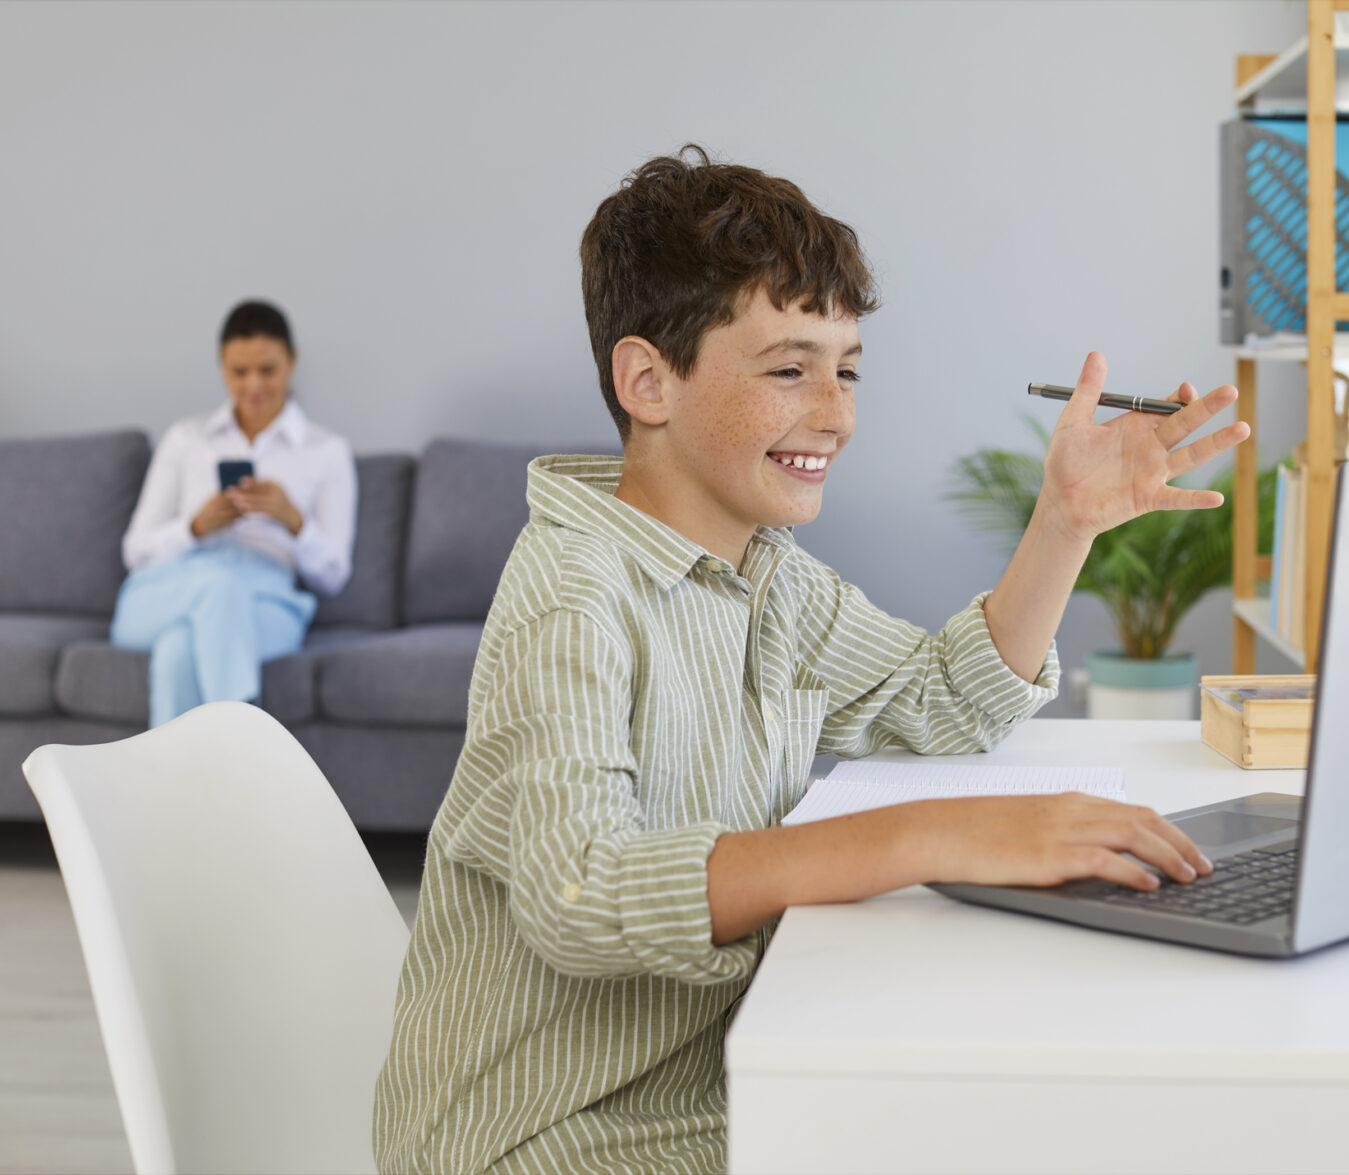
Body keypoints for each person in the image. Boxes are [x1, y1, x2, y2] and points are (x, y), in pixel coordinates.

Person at [373, 147, 1247, 1174]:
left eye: (846, 370)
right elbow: (581, 895)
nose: (835, 412)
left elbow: (944, 701)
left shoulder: (769, 579)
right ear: (648, 379)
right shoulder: (576, 591)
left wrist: (1065, 521)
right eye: (789, 369)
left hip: (712, 1082)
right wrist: (934, 835)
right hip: (546, 1133)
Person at [113, 300, 357, 728]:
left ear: (292, 362)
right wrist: (194, 527)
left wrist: (292, 519)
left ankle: (168, 793)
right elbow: (135, 552)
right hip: (179, 584)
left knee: (176, 655)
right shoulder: (185, 439)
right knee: (216, 587)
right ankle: (245, 749)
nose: (253, 386)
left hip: (266, 598)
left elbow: (333, 575)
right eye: (238, 372)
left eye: (268, 370)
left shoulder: (326, 452)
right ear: (222, 367)